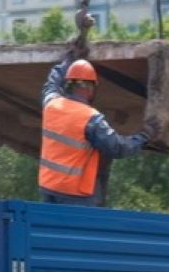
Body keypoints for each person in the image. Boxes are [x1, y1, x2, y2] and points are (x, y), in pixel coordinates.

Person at [38, 22, 157, 207]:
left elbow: (52, 81)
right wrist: (144, 137)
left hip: (49, 190)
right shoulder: (90, 118)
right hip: (76, 195)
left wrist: (70, 57)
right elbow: (117, 147)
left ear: (69, 83)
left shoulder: (52, 104)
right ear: (90, 88)